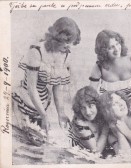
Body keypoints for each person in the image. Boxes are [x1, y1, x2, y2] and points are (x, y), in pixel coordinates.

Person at [12, 17, 81, 145]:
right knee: (26, 140)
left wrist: (61, 113)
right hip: (25, 101)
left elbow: (57, 87)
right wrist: (44, 115)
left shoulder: (65, 54)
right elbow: (31, 89)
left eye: (71, 42)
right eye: (66, 41)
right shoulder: (37, 51)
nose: (69, 46)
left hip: (42, 105)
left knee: (43, 142)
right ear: (56, 36)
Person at [89, 30, 131, 113]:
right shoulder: (99, 67)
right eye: (111, 47)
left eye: (117, 44)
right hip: (112, 110)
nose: (116, 49)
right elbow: (91, 94)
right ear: (103, 50)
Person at [68, 86, 112, 156]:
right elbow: (96, 152)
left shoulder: (101, 114)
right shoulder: (80, 123)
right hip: (79, 154)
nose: (87, 112)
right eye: (83, 108)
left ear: (97, 105)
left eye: (90, 106)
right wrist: (105, 131)